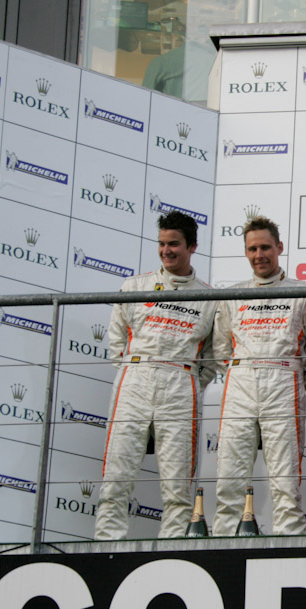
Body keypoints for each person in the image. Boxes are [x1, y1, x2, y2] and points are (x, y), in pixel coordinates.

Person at [95, 211, 217, 540]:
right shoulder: (134, 286)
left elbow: (214, 357)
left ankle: (172, 549)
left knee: (178, 482)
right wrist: (133, 371)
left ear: (192, 246)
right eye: (161, 244)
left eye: (174, 244)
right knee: (116, 474)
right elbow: (116, 342)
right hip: (135, 376)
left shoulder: (210, 297)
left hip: (181, 382)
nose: (166, 250)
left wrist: (190, 382)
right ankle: (107, 544)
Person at [213, 217, 306, 535]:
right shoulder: (231, 295)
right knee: (229, 477)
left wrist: (292, 381)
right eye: (252, 248)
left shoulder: (303, 292)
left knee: (285, 479)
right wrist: (246, 372)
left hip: (284, 382)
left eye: (265, 247)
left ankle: (288, 543)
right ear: (245, 252)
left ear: (279, 247)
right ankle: (223, 543)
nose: (259, 254)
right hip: (240, 383)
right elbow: (221, 349)